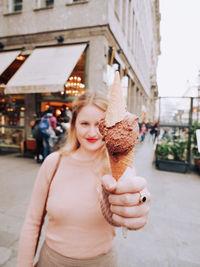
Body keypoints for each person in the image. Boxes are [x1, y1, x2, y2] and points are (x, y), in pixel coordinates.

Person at [17, 91, 151, 267]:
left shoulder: (120, 171)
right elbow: (32, 222)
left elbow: (133, 203)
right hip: (51, 261)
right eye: (85, 123)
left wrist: (137, 206)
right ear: (73, 125)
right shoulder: (53, 163)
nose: (92, 132)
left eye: (100, 125)